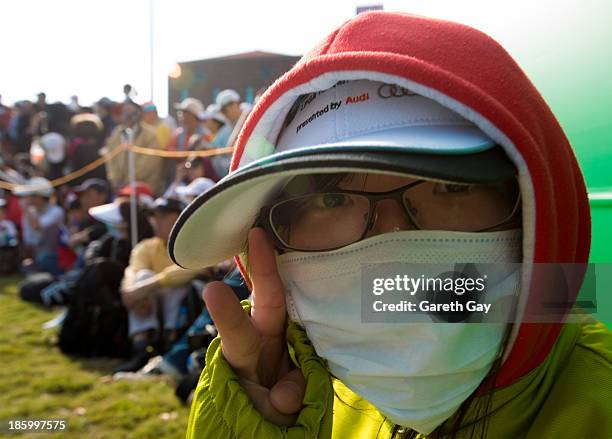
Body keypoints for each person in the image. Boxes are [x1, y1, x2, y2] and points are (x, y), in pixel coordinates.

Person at [169, 12, 610, 439]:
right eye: (332, 199)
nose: (393, 242)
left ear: (535, 211)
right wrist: (251, 427)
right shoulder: (302, 401)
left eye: (451, 187)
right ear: (269, 250)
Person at [113, 197, 202, 373]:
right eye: (155, 216)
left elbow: (192, 268)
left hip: (178, 305)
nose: (156, 221)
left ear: (179, 217)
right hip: (151, 305)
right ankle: (141, 346)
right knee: (142, 276)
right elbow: (132, 271)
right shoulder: (146, 246)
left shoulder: (191, 244)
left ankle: (169, 342)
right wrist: (133, 292)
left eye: (163, 216)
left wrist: (145, 287)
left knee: (181, 285)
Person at [103, 100, 165, 195]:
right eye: (125, 112)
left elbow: (149, 163)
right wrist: (115, 180)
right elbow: (110, 159)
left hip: (144, 189)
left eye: (133, 112)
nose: (129, 115)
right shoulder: (117, 133)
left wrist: (128, 181)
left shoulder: (150, 134)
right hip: (120, 189)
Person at [14, 177, 64, 275]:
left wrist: (26, 210)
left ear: (41, 196)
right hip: (39, 257)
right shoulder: (29, 214)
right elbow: (29, 242)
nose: (28, 199)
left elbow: (37, 227)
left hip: (57, 258)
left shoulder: (56, 211)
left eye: (31, 196)